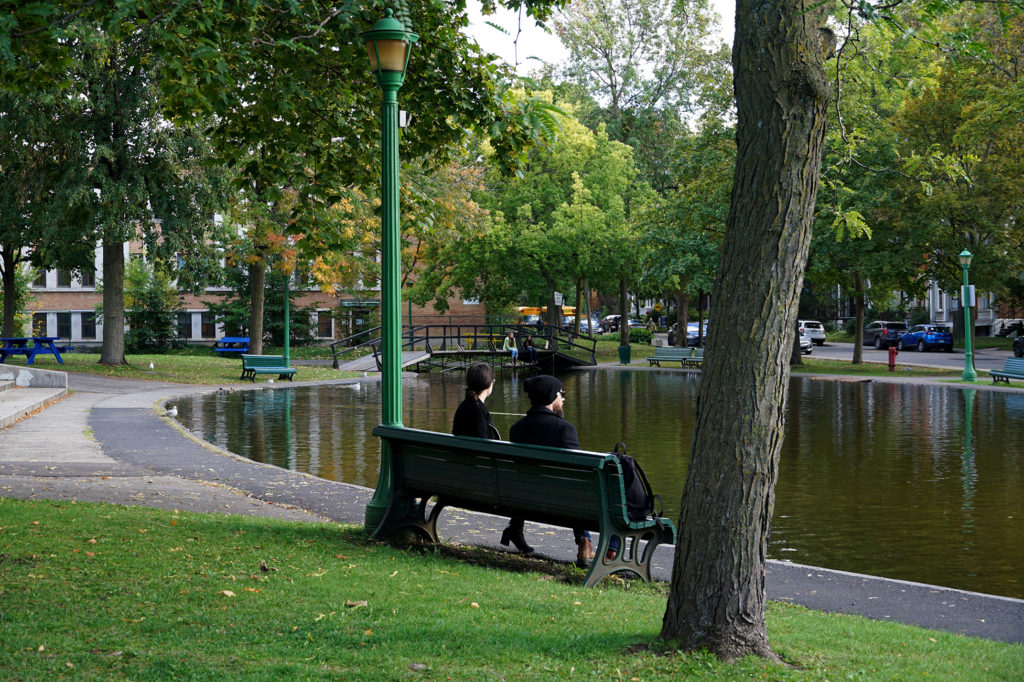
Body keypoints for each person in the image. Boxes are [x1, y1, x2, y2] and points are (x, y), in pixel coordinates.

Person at [509, 374, 595, 566]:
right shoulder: (565, 429)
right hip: (561, 503)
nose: (563, 398)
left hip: (524, 499)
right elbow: (579, 473)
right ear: (551, 397)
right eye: (561, 393)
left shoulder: (516, 429)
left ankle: (515, 528)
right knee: (577, 487)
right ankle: (584, 540)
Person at [452, 363, 532, 555]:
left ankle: (515, 531)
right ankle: (515, 530)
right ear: (490, 385)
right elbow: (483, 449)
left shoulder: (464, 407)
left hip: (460, 475)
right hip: (480, 480)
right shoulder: (476, 411)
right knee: (525, 480)